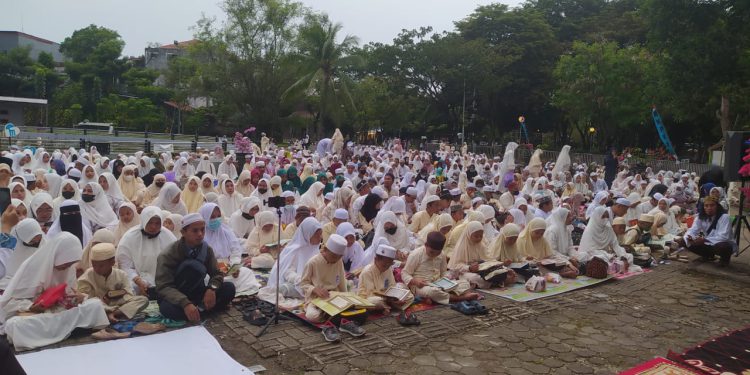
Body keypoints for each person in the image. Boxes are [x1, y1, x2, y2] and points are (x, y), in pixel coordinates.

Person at [0, 232, 109, 350]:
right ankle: (70, 328)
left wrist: (78, 298)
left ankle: (55, 331)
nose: (67, 268)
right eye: (66, 264)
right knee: (15, 325)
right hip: (35, 315)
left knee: (95, 305)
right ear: (56, 255)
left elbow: (70, 293)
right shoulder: (31, 268)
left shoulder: (69, 268)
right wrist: (31, 306)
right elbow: (7, 304)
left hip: (58, 313)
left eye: (71, 264)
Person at [155, 213, 236, 323]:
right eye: (195, 230)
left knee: (229, 288)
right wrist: (185, 303)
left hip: (197, 293)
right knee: (167, 309)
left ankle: (197, 311)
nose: (200, 234)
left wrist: (211, 289)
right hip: (177, 296)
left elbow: (216, 274)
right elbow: (164, 286)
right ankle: (201, 310)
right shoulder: (168, 254)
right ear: (183, 232)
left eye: (203, 230)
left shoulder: (206, 249)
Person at [299, 234, 365, 342]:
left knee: (355, 306)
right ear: (325, 250)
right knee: (312, 316)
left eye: (340, 256)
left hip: (335, 295)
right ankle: (339, 323)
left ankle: (335, 322)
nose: (337, 259)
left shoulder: (338, 261)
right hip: (317, 298)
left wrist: (347, 297)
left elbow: (342, 281)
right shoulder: (313, 262)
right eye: (334, 256)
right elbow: (303, 284)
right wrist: (315, 289)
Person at [401, 231, 480, 305]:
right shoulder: (416, 255)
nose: (434, 255)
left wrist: (448, 282)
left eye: (437, 253)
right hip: (421, 286)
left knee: (464, 283)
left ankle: (435, 298)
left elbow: (443, 273)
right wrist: (415, 281)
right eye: (432, 252)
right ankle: (461, 298)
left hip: (438, 284)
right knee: (432, 292)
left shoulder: (441, 254)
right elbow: (404, 273)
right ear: (426, 245)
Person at [77, 243, 149, 323]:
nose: (97, 269)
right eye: (94, 265)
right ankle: (113, 313)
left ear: (112, 262)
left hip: (117, 304)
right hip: (97, 306)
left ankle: (112, 314)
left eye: (101, 266)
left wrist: (115, 297)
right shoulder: (87, 275)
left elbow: (129, 295)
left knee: (143, 300)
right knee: (90, 305)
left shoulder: (121, 274)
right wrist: (99, 301)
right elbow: (83, 298)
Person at [117, 206, 177, 298]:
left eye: (157, 223)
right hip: (137, 280)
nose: (153, 226)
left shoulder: (168, 236)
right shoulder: (130, 237)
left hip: (163, 279)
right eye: (150, 222)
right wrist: (137, 280)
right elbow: (125, 265)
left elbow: (175, 261)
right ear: (144, 220)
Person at [357, 243, 415, 315]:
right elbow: (370, 294)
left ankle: (389, 307)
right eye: (384, 265)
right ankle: (389, 307)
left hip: (387, 298)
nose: (386, 268)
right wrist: (389, 300)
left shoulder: (388, 269)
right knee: (376, 301)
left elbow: (392, 286)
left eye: (389, 265)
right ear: (376, 260)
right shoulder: (367, 272)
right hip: (370, 298)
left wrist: (396, 298)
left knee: (410, 296)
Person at [678, 196, 735, 267]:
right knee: (683, 240)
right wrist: (689, 237)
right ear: (703, 207)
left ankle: (724, 259)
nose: (709, 208)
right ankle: (708, 255)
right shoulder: (700, 216)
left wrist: (704, 240)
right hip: (707, 242)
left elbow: (724, 236)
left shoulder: (724, 217)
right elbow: (693, 229)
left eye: (712, 205)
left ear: (717, 206)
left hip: (721, 243)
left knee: (723, 246)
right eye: (706, 205)